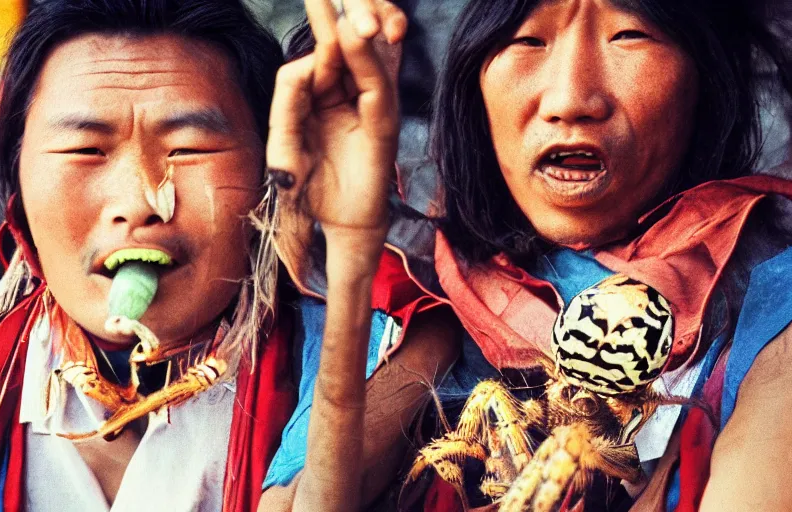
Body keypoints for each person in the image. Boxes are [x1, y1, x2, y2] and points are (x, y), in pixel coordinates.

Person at [0, 1, 458, 510]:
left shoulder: (384, 356)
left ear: (269, 173)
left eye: (189, 149)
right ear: (19, 187)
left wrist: (348, 243)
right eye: (85, 150)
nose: (138, 203)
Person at [332, 0, 791, 510]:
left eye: (630, 37)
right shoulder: (414, 295)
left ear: (707, 81)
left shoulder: (771, 307)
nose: (571, 100)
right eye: (527, 41)